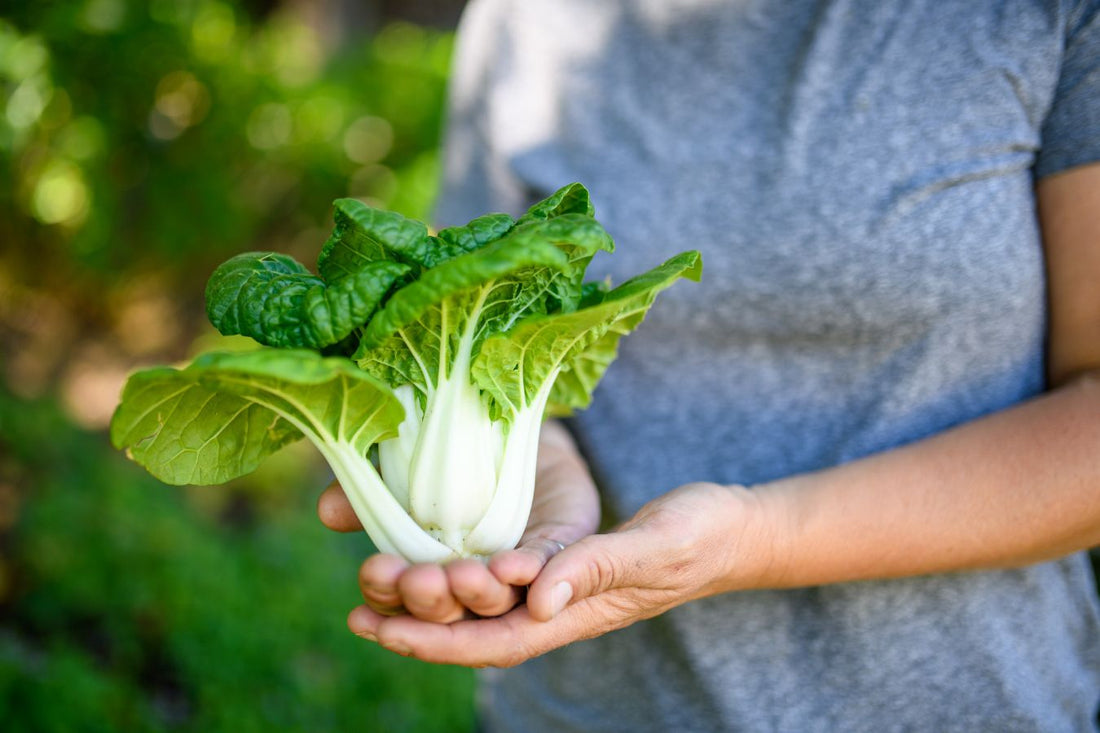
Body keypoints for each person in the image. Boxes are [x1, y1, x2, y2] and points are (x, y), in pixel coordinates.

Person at [318, 1, 1100, 730]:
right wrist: (545, 460)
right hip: (581, 703)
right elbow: (449, 313)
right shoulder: (527, 19)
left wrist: (756, 536)